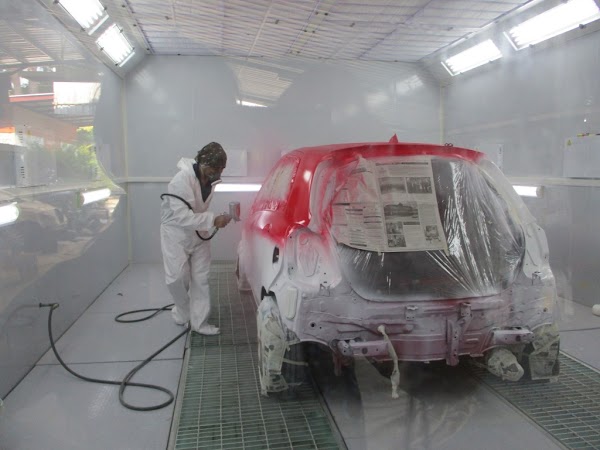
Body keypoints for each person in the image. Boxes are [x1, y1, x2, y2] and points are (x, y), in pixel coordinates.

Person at [160, 142, 232, 335]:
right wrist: (213, 219)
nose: (217, 173)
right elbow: (182, 217)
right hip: (176, 234)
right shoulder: (180, 181)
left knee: (201, 278)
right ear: (202, 163)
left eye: (221, 169)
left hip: (199, 232)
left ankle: (200, 323)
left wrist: (214, 220)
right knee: (177, 278)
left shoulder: (211, 179)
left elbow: (199, 209)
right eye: (214, 168)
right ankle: (182, 314)